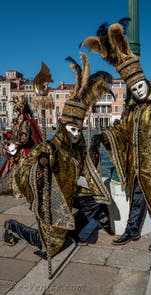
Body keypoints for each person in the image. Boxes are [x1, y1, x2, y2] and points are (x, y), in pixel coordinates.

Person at [81, 18, 151, 251]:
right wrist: (105, 136)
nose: (138, 90)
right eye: (134, 88)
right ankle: (132, 231)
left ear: (146, 83)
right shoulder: (131, 111)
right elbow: (121, 130)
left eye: (140, 85)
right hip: (136, 165)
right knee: (137, 199)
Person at [3, 53, 114, 258]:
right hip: (52, 198)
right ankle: (12, 226)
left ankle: (73, 232)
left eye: (79, 130)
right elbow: (25, 171)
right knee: (51, 246)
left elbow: (85, 166)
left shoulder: (77, 145)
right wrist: (41, 167)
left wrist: (96, 148)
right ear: (63, 128)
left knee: (96, 202)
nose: (76, 134)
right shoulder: (49, 148)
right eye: (72, 130)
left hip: (70, 190)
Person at [0, 95, 42, 197]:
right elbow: (15, 134)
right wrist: (6, 134)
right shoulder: (19, 120)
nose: (15, 110)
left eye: (16, 108)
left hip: (24, 150)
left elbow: (24, 138)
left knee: (19, 168)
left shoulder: (25, 121)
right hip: (18, 149)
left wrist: (12, 143)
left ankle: (21, 189)